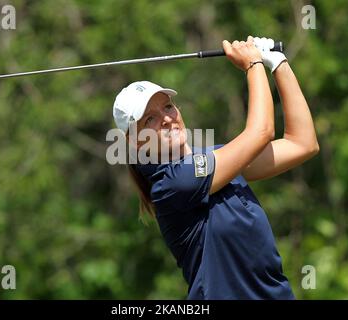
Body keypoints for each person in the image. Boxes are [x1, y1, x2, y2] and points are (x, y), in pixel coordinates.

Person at [112, 36, 319, 299]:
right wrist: (254, 64)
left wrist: (278, 63)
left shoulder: (218, 157)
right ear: (134, 140)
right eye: (150, 118)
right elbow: (262, 132)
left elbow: (302, 143)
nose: (166, 119)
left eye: (168, 106)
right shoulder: (172, 183)